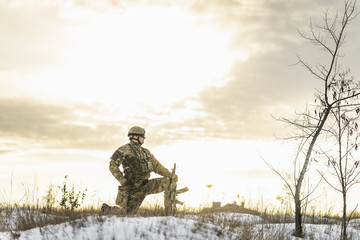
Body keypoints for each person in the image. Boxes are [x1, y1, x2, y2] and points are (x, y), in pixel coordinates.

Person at [102, 126, 177, 215]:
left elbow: (157, 167)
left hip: (146, 185)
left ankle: (170, 215)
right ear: (135, 137)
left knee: (169, 183)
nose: (144, 139)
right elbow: (112, 165)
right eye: (142, 137)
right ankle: (106, 210)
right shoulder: (123, 150)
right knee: (126, 214)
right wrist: (123, 181)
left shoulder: (146, 152)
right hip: (133, 188)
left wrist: (171, 175)